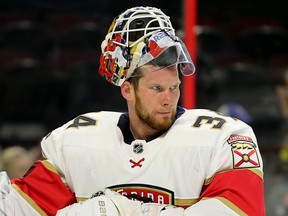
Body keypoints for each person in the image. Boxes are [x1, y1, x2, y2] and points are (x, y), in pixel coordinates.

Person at [0, 6, 265, 215]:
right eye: (156, 89)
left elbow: (242, 211)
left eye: (174, 87)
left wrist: (126, 210)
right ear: (127, 90)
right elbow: (21, 208)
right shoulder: (75, 141)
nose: (169, 99)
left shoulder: (222, 137)